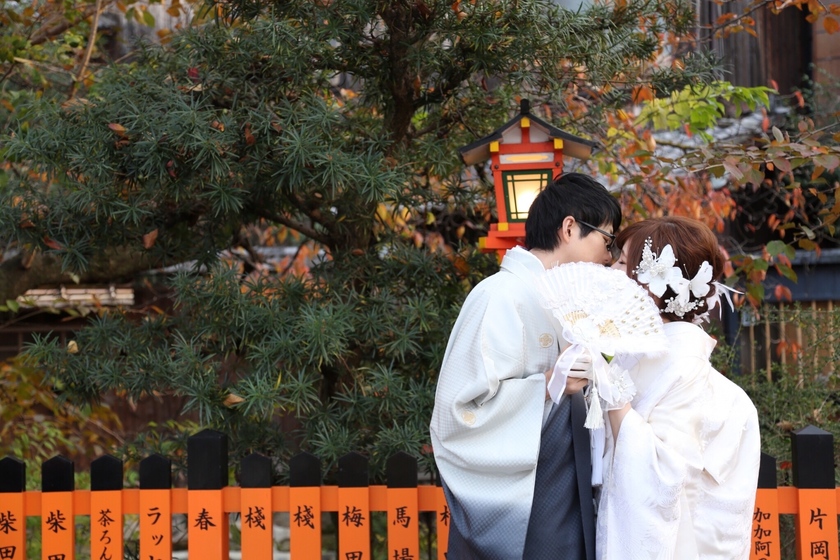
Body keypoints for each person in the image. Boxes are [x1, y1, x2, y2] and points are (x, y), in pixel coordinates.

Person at [430, 172, 621, 560]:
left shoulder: (566, 303)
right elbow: (458, 414)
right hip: (531, 498)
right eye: (607, 239)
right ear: (570, 228)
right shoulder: (498, 296)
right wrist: (547, 385)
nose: (609, 257)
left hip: (566, 485)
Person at [597, 216, 761, 560]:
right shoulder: (641, 358)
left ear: (654, 284)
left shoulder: (684, 370)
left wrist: (613, 394)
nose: (612, 271)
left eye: (623, 264)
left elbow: (660, 476)